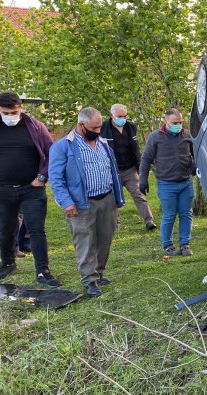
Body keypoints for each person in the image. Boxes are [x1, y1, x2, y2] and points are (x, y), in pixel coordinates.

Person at [0, 92, 59, 286]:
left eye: (14, 111)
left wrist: (42, 177)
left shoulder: (36, 126)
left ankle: (42, 270)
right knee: (5, 230)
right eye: (6, 112)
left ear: (21, 107)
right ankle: (7, 263)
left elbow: (52, 153)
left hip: (31, 189)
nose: (10, 116)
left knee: (37, 230)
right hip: (0, 189)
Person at [49, 107, 125, 297]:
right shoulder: (63, 146)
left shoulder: (103, 144)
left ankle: (98, 273)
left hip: (107, 199)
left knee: (105, 239)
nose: (98, 131)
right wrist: (67, 202)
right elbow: (56, 178)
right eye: (94, 127)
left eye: (100, 127)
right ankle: (89, 280)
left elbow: (113, 171)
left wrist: (117, 198)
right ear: (81, 125)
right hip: (81, 203)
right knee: (85, 242)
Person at [139, 108, 195, 257]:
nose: (178, 125)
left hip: (186, 182)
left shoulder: (187, 135)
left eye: (180, 122)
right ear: (166, 122)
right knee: (169, 214)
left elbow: (196, 153)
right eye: (175, 123)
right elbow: (146, 159)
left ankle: (185, 244)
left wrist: (195, 165)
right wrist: (143, 179)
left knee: (186, 214)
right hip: (166, 183)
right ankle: (168, 245)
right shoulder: (155, 137)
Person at [100, 103, 155, 230]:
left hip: (130, 168)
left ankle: (149, 221)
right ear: (111, 115)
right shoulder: (103, 129)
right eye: (120, 116)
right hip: (112, 170)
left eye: (125, 116)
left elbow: (135, 150)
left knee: (139, 194)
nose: (123, 118)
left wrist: (140, 168)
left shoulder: (131, 127)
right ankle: (114, 224)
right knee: (113, 198)